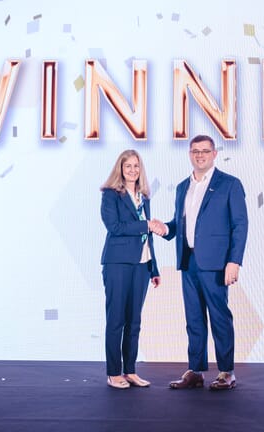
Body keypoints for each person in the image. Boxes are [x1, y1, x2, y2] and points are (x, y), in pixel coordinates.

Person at [150, 134, 248, 391]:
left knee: (219, 316)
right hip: (188, 260)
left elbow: (240, 225)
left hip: (216, 263)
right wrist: (166, 229)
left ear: (215, 154)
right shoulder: (183, 186)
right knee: (193, 318)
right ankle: (196, 370)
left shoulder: (229, 184)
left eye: (205, 151)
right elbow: (180, 224)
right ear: (189, 154)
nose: (200, 155)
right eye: (195, 151)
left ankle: (227, 371)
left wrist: (234, 261)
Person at [100, 149, 161, 389]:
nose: (133, 170)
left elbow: (149, 236)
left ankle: (131, 371)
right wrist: (145, 224)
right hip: (118, 264)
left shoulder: (144, 196)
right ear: (120, 169)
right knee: (116, 319)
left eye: (136, 166)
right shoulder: (111, 195)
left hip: (142, 265)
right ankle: (114, 373)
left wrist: (154, 267)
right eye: (128, 166)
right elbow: (114, 227)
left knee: (134, 321)